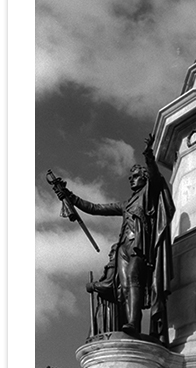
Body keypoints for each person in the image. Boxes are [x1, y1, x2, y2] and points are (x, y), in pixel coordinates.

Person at [54, 135, 175, 344]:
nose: (131, 179)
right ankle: (129, 323)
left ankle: (134, 324)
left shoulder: (149, 194)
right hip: (123, 248)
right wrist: (69, 196)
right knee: (125, 288)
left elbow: (155, 176)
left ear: (144, 177)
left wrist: (148, 156)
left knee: (135, 282)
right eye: (130, 177)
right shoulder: (126, 204)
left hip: (139, 246)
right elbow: (95, 208)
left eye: (135, 176)